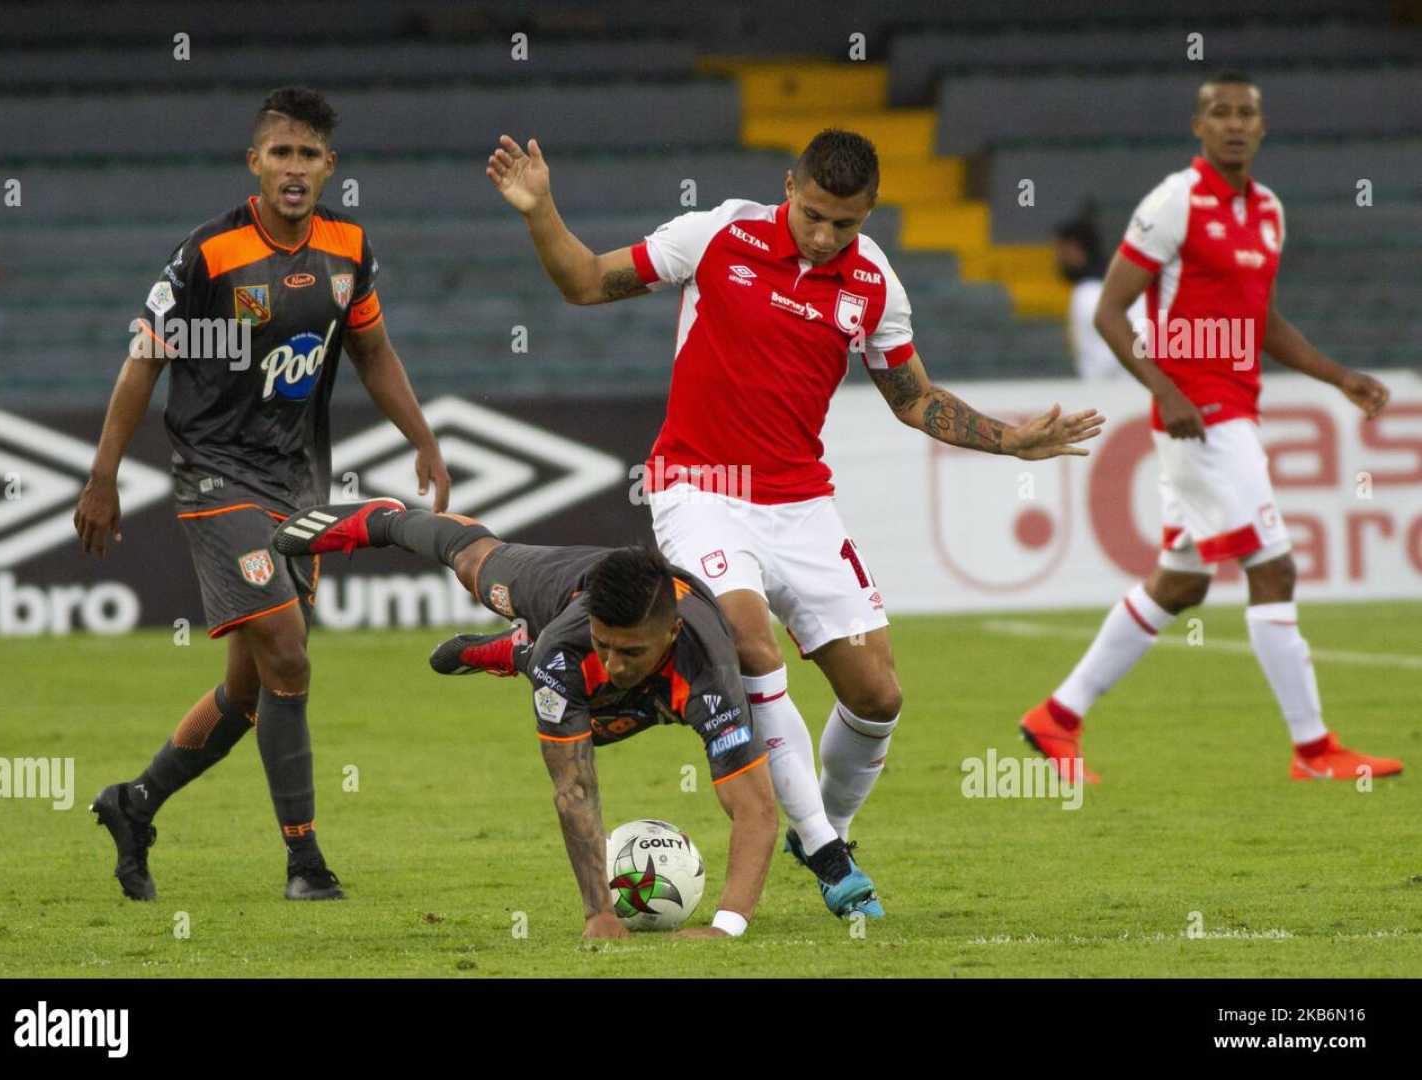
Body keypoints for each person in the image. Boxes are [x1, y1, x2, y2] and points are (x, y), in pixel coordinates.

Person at [486, 127, 1102, 916]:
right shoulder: (717, 234)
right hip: (698, 487)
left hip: (800, 502)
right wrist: (540, 210)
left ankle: (822, 828)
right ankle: (826, 851)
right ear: (788, 186)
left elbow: (912, 398)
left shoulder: (875, 283)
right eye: (811, 213)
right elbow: (582, 281)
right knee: (748, 640)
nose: (823, 235)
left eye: (844, 224)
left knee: (878, 695)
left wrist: (1009, 439)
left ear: (869, 212)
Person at [74, 87, 452, 901]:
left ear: (328, 168)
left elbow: (374, 352)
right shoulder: (209, 254)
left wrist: (421, 438)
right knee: (288, 648)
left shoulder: (350, 249)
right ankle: (305, 863)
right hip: (215, 475)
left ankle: (134, 804)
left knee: (251, 693)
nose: (294, 168)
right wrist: (103, 474)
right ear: (255, 162)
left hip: (298, 487)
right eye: (280, 153)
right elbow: (145, 359)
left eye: (308, 155)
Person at [1020, 71, 1401, 783]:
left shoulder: (1269, 212)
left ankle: (1057, 718)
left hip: (1233, 413)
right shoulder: (1174, 202)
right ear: (1199, 126)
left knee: (1181, 584)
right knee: (1275, 566)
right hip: (1200, 420)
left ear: (1261, 128)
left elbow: (1263, 323)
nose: (1233, 123)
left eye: (1245, 114)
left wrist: (1338, 376)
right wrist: (1166, 392)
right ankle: (1314, 749)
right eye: (1219, 112)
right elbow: (1110, 312)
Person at [271, 499, 779, 939]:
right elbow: (575, 787)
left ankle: (517, 653)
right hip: (558, 602)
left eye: (631, 651)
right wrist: (598, 911)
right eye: (604, 645)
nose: (614, 662)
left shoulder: (710, 667)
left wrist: (725, 927)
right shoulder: (570, 647)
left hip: (652, 678)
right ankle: (382, 520)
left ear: (670, 633)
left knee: (612, 714)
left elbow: (755, 809)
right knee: (473, 563)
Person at [1053, 214, 1140, 381]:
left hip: (1106, 391)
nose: (1058, 259)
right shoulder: (1133, 288)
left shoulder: (1085, 294)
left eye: (1061, 251)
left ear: (1074, 248)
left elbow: (1101, 362)